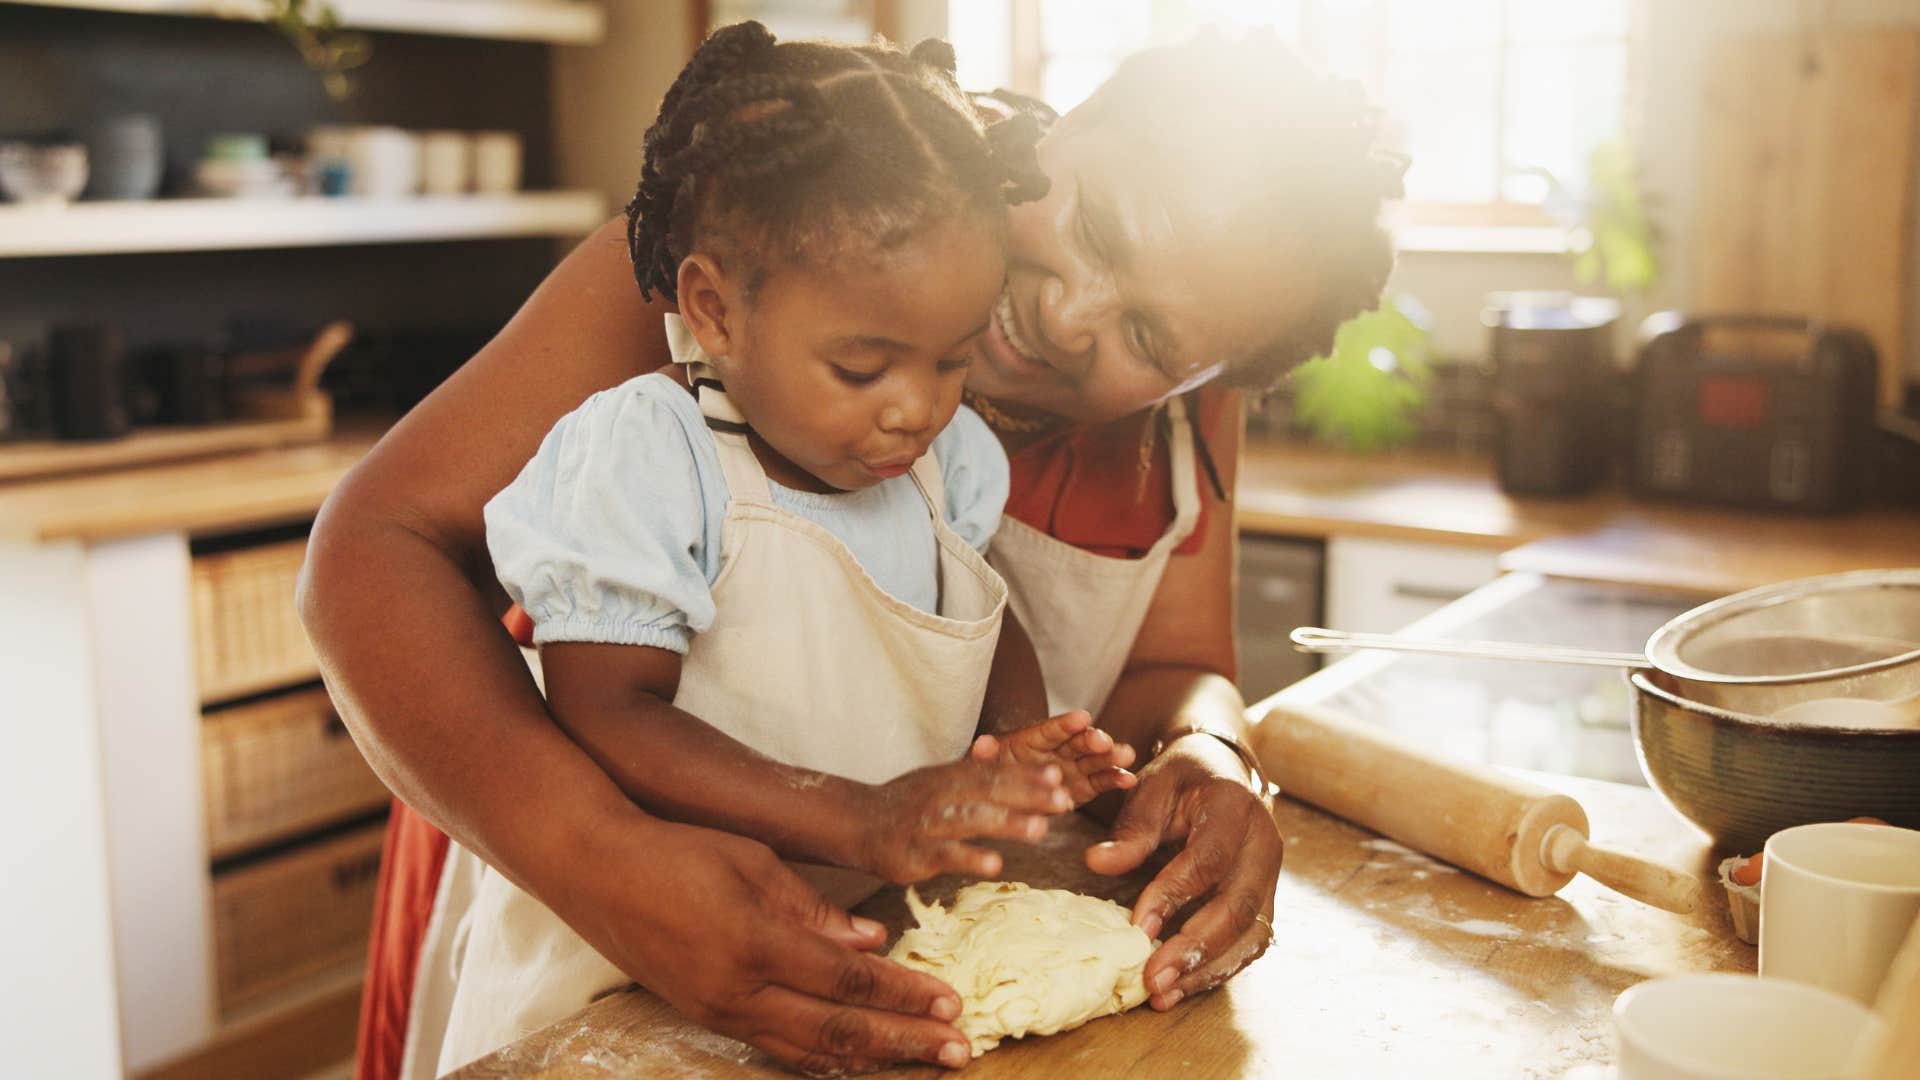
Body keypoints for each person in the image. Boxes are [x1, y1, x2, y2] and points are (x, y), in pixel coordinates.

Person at [301, 23, 1404, 1078]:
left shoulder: (1185, 383)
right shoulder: (788, 222)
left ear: (1205, 377)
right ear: (1063, 126)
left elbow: (1175, 670)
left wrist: (1210, 756)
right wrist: (596, 859)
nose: (1074, 316)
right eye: (1101, 224)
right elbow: (374, 547)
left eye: (1153, 340)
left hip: (883, 923)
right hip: (547, 826)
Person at [430, 23, 1138, 1069]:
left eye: (951, 360)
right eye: (863, 367)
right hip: (620, 974)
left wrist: (1016, 739)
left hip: (837, 944)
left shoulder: (952, 461)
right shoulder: (649, 457)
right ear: (715, 308)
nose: (916, 410)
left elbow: (978, 612)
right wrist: (857, 818)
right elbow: (608, 711)